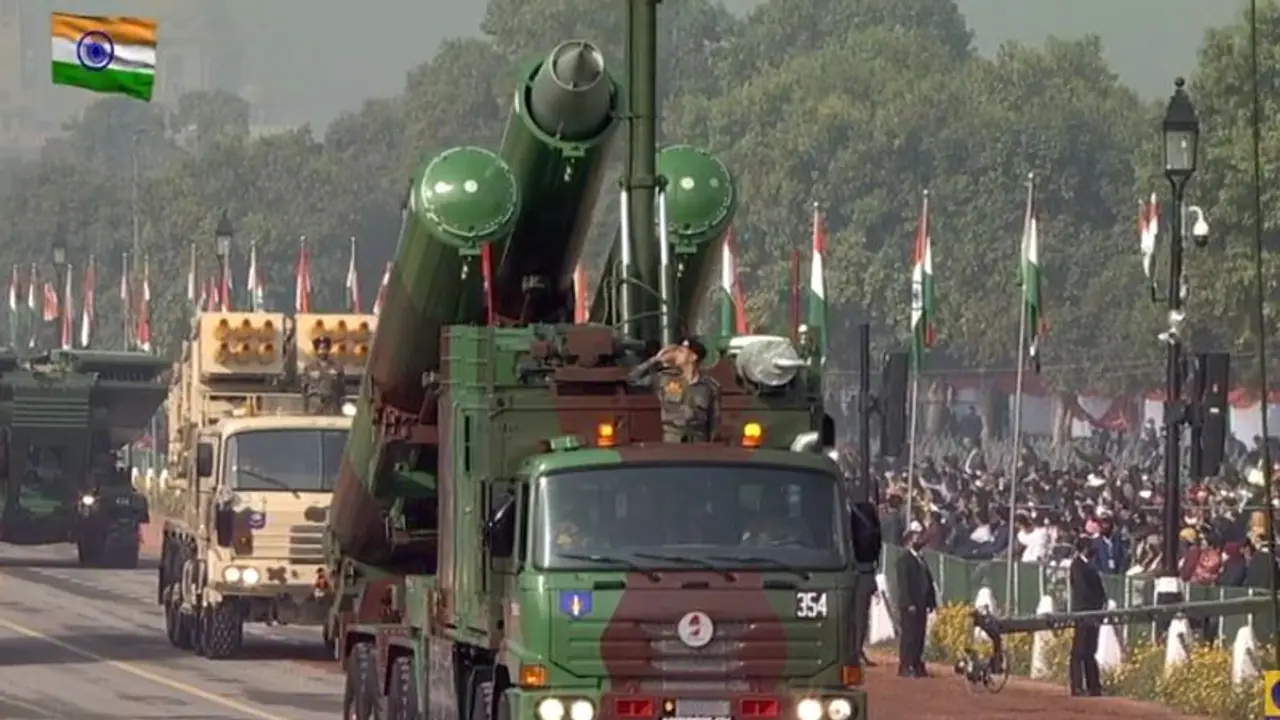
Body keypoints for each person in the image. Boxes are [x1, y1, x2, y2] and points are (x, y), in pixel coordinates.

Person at [629, 335, 720, 443]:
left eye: (681, 352)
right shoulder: (665, 378)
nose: (675, 354)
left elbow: (715, 421)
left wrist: (710, 446)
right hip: (672, 440)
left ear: (693, 357)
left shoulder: (710, 386)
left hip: (698, 441)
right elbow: (632, 379)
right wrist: (656, 359)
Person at [894, 521, 937, 678]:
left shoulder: (921, 560)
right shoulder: (904, 560)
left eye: (920, 535)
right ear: (910, 538)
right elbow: (904, 585)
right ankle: (906, 665)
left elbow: (928, 581)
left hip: (921, 603)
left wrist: (931, 602)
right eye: (916, 536)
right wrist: (909, 603)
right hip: (910, 605)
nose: (919, 539)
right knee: (909, 636)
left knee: (919, 635)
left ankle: (917, 663)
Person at [1068, 535, 1106, 697]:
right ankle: (1076, 686)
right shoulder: (1077, 565)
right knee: (1079, 651)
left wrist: (1101, 605)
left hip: (1093, 613)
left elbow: (1099, 589)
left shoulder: (1091, 566)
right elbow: (1083, 590)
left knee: (1090, 650)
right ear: (1084, 549)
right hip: (1083, 612)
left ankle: (1094, 686)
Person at [302, 335, 345, 415]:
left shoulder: (337, 366)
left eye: (325, 349)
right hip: (314, 405)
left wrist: (341, 407)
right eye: (320, 349)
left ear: (328, 350)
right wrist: (305, 409)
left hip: (332, 406)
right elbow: (304, 389)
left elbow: (342, 389)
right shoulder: (309, 367)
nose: (323, 351)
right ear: (316, 350)